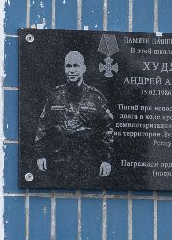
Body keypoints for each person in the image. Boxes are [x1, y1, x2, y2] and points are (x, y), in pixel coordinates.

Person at [33, 49, 114, 181]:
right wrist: (40, 154)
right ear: (64, 69)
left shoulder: (95, 97)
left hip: (88, 162)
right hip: (58, 161)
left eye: (76, 66)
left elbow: (107, 128)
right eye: (68, 66)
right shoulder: (55, 95)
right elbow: (43, 124)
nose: (71, 70)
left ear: (83, 68)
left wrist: (106, 159)